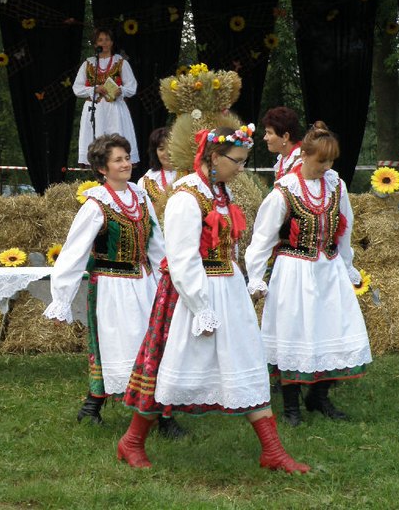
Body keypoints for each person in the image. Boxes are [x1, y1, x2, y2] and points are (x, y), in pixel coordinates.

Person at [118, 125, 310, 473]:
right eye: (236, 161)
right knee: (168, 367)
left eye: (244, 161)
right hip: (191, 295)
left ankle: (273, 450)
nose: (241, 168)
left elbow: (228, 246)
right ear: (213, 156)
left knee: (245, 361)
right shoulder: (185, 198)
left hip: (227, 289)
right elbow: (182, 259)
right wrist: (201, 308)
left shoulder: (221, 192)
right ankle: (131, 441)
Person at [44, 134, 184, 437]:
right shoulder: (96, 205)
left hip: (144, 283)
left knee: (153, 346)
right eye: (118, 160)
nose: (126, 164)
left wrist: (168, 280)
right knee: (119, 348)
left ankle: (160, 415)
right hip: (112, 287)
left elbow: (156, 244)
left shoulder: (141, 196)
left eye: (127, 158)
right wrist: (61, 300)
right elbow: (73, 253)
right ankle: (97, 406)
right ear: (102, 168)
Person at [244, 121, 372, 427]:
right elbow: (262, 238)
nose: (326, 167)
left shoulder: (336, 186)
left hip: (328, 269)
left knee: (331, 329)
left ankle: (319, 396)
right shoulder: (284, 191)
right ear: (304, 155)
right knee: (294, 332)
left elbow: (345, 229)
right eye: (321, 160)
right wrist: (256, 277)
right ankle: (291, 407)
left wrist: (347, 264)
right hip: (294, 271)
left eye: (331, 161)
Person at [73, 28, 139, 166]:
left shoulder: (121, 62)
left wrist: (121, 90)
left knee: (116, 138)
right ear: (95, 44)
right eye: (100, 40)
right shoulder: (88, 64)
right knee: (95, 139)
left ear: (112, 42)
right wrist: (95, 89)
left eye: (107, 39)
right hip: (94, 109)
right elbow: (77, 88)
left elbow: (132, 86)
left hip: (115, 109)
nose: (104, 43)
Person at [137, 126, 179, 220]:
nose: (166, 153)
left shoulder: (189, 175)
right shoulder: (146, 180)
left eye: (170, 147)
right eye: (161, 149)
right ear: (155, 152)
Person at [262, 106, 304, 181]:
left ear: (285, 136)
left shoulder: (301, 162)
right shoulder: (284, 158)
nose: (265, 138)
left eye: (269, 133)